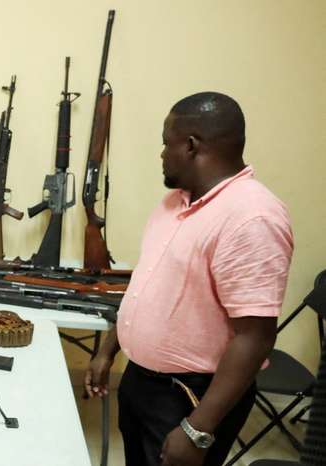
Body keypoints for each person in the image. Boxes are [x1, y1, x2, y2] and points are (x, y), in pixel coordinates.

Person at [84, 92, 293, 466]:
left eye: (167, 144)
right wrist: (108, 349)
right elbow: (145, 286)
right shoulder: (174, 203)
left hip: (189, 397)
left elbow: (256, 336)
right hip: (142, 381)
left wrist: (198, 430)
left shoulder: (252, 217)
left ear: (192, 145)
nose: (161, 155)